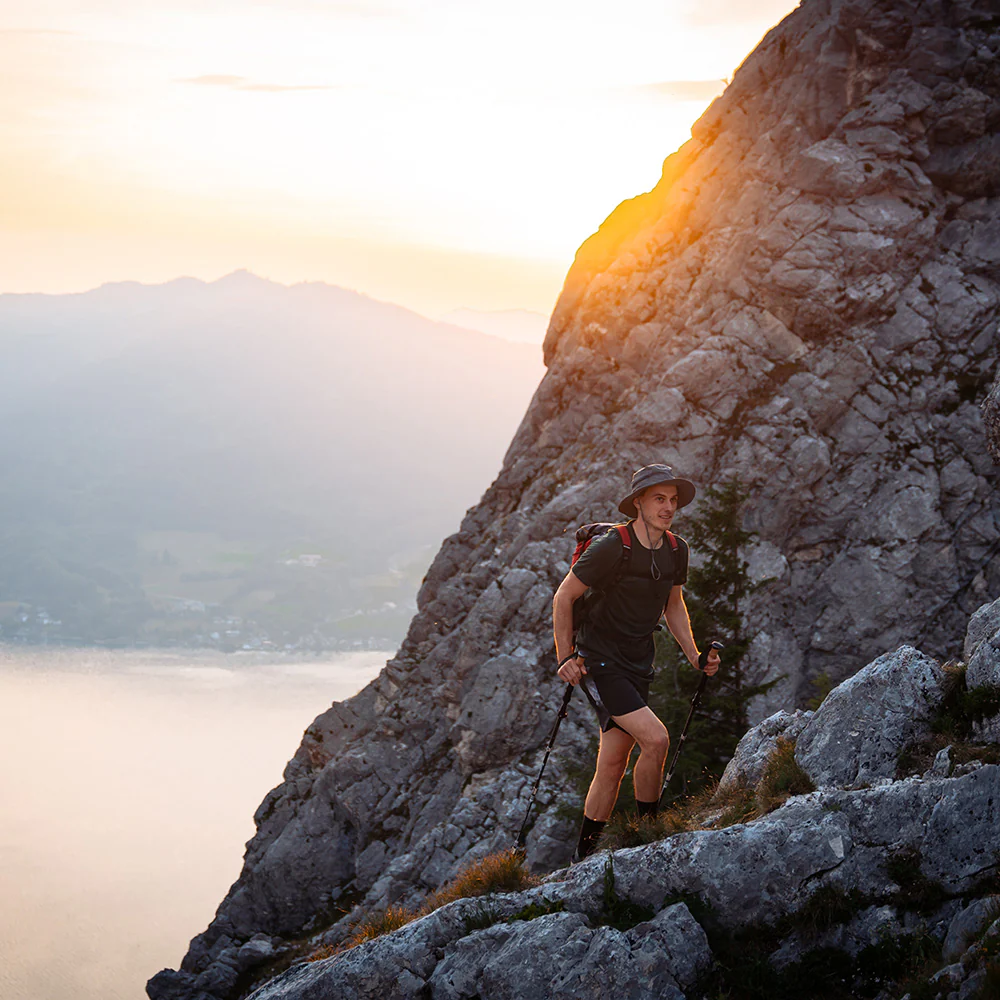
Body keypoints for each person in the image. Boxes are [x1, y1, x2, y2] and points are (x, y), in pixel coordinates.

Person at [552, 464, 721, 860]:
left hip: (637, 663)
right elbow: (564, 597)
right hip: (600, 661)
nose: (668, 507)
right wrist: (565, 658)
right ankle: (650, 835)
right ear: (639, 502)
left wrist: (695, 657)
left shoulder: (677, 549)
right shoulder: (613, 545)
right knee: (656, 738)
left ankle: (584, 857)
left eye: (673, 500)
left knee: (612, 763)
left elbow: (674, 607)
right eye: (659, 499)